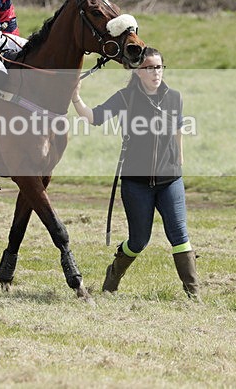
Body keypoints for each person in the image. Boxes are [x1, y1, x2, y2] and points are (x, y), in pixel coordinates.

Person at [72, 47, 200, 301]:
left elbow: (178, 129)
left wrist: (179, 159)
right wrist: (75, 98)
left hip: (170, 179)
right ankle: (114, 273)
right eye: (150, 68)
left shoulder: (174, 97)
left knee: (179, 235)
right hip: (136, 183)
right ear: (138, 72)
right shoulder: (125, 98)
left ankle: (193, 294)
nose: (156, 72)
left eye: (159, 67)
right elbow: (94, 117)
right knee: (138, 241)